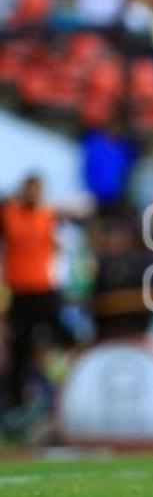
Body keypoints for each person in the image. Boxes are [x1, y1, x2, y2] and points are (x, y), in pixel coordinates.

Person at [1, 175, 75, 415]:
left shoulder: (48, 216)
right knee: (19, 349)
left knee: (65, 336)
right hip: (20, 292)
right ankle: (16, 403)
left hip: (45, 290)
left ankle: (63, 376)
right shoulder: (9, 215)